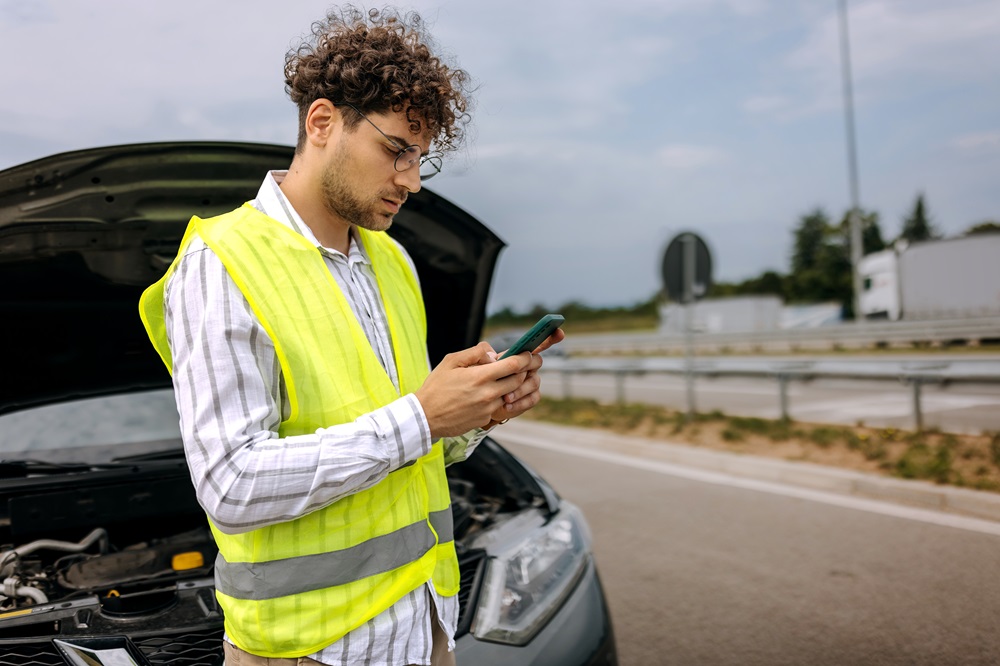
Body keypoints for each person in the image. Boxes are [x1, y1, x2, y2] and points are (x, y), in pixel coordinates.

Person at [138, 6, 562, 666]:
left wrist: (473, 412)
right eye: (396, 149)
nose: (412, 180)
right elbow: (233, 484)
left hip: (425, 629)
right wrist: (423, 417)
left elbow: (408, 449)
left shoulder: (394, 262)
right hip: (308, 650)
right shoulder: (221, 263)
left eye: (420, 158)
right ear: (323, 122)